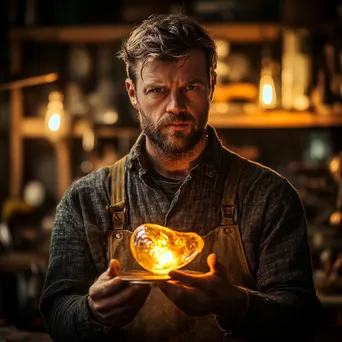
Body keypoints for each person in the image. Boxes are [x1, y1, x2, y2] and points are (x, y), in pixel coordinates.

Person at [39, 13, 322, 342]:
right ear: (133, 93)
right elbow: (55, 312)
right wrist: (91, 311)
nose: (175, 105)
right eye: (157, 90)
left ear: (212, 86)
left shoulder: (269, 196)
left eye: (191, 87)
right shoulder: (86, 200)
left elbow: (302, 319)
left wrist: (236, 304)